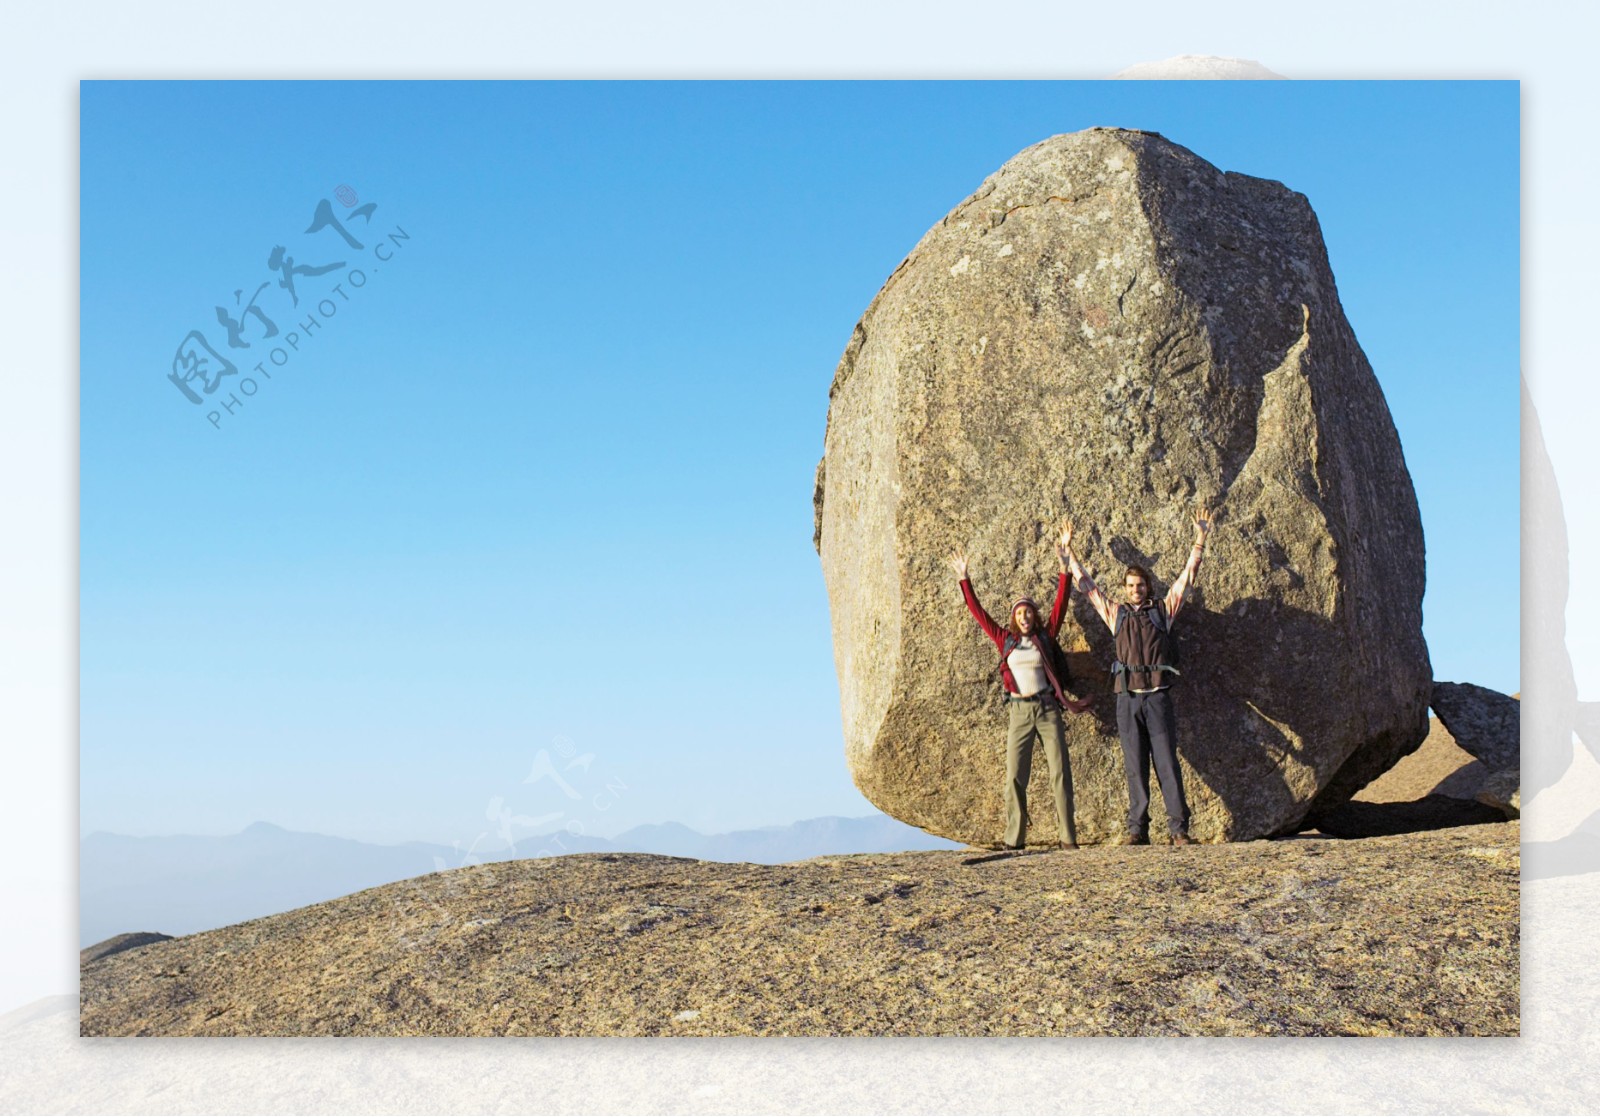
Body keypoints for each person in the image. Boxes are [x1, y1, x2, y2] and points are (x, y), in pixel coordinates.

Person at [1059, 507, 1213, 847]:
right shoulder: (1117, 614)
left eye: (1140, 585)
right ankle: (1137, 829)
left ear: (1148, 586)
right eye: (1130, 586)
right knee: (1134, 765)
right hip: (1127, 698)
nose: (1135, 590)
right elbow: (1088, 587)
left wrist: (1199, 540)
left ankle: (1178, 829)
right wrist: (1069, 553)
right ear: (1125, 589)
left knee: (1167, 764)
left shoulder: (1163, 611)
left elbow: (1187, 578)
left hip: (1157, 696)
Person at [946, 534, 1092, 852]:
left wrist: (1064, 567)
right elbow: (978, 612)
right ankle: (1015, 837)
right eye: (1019, 614)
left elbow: (1061, 605)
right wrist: (964, 579)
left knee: (1060, 773)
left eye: (1028, 612)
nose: (1024, 617)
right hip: (1019, 712)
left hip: (1048, 709)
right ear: (1014, 618)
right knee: (1014, 776)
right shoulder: (1005, 640)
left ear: (1034, 617)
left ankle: (1068, 838)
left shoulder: (1046, 634)